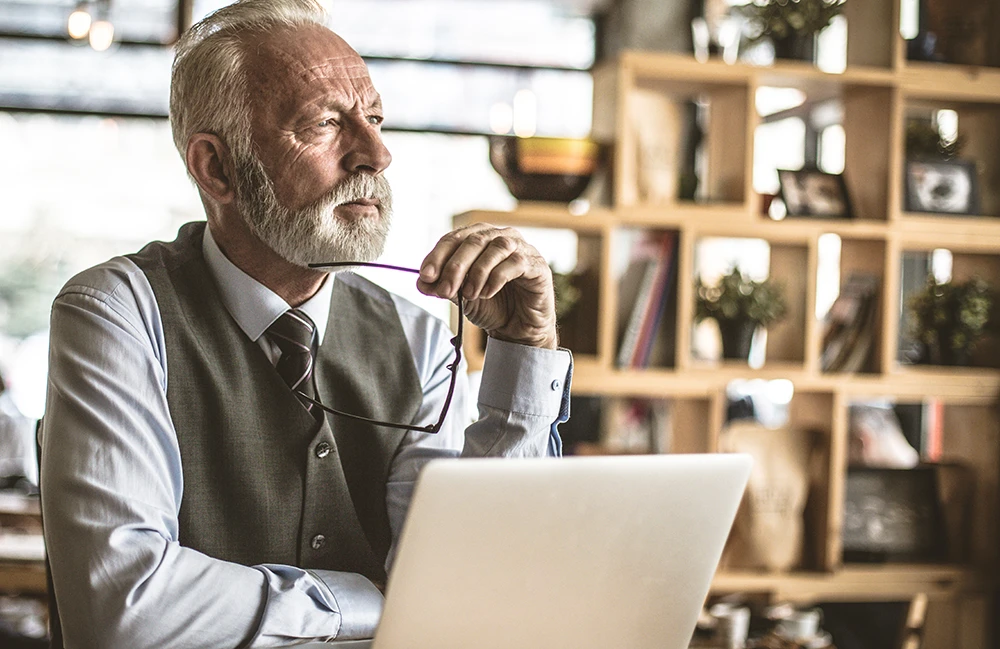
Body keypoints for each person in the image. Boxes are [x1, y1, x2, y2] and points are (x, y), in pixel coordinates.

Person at [40, 1, 572, 647]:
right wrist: (370, 603)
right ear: (217, 167)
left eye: (374, 119)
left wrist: (524, 351)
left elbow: (474, 595)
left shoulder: (422, 342)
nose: (376, 154)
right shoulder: (117, 313)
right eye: (325, 123)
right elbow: (121, 608)